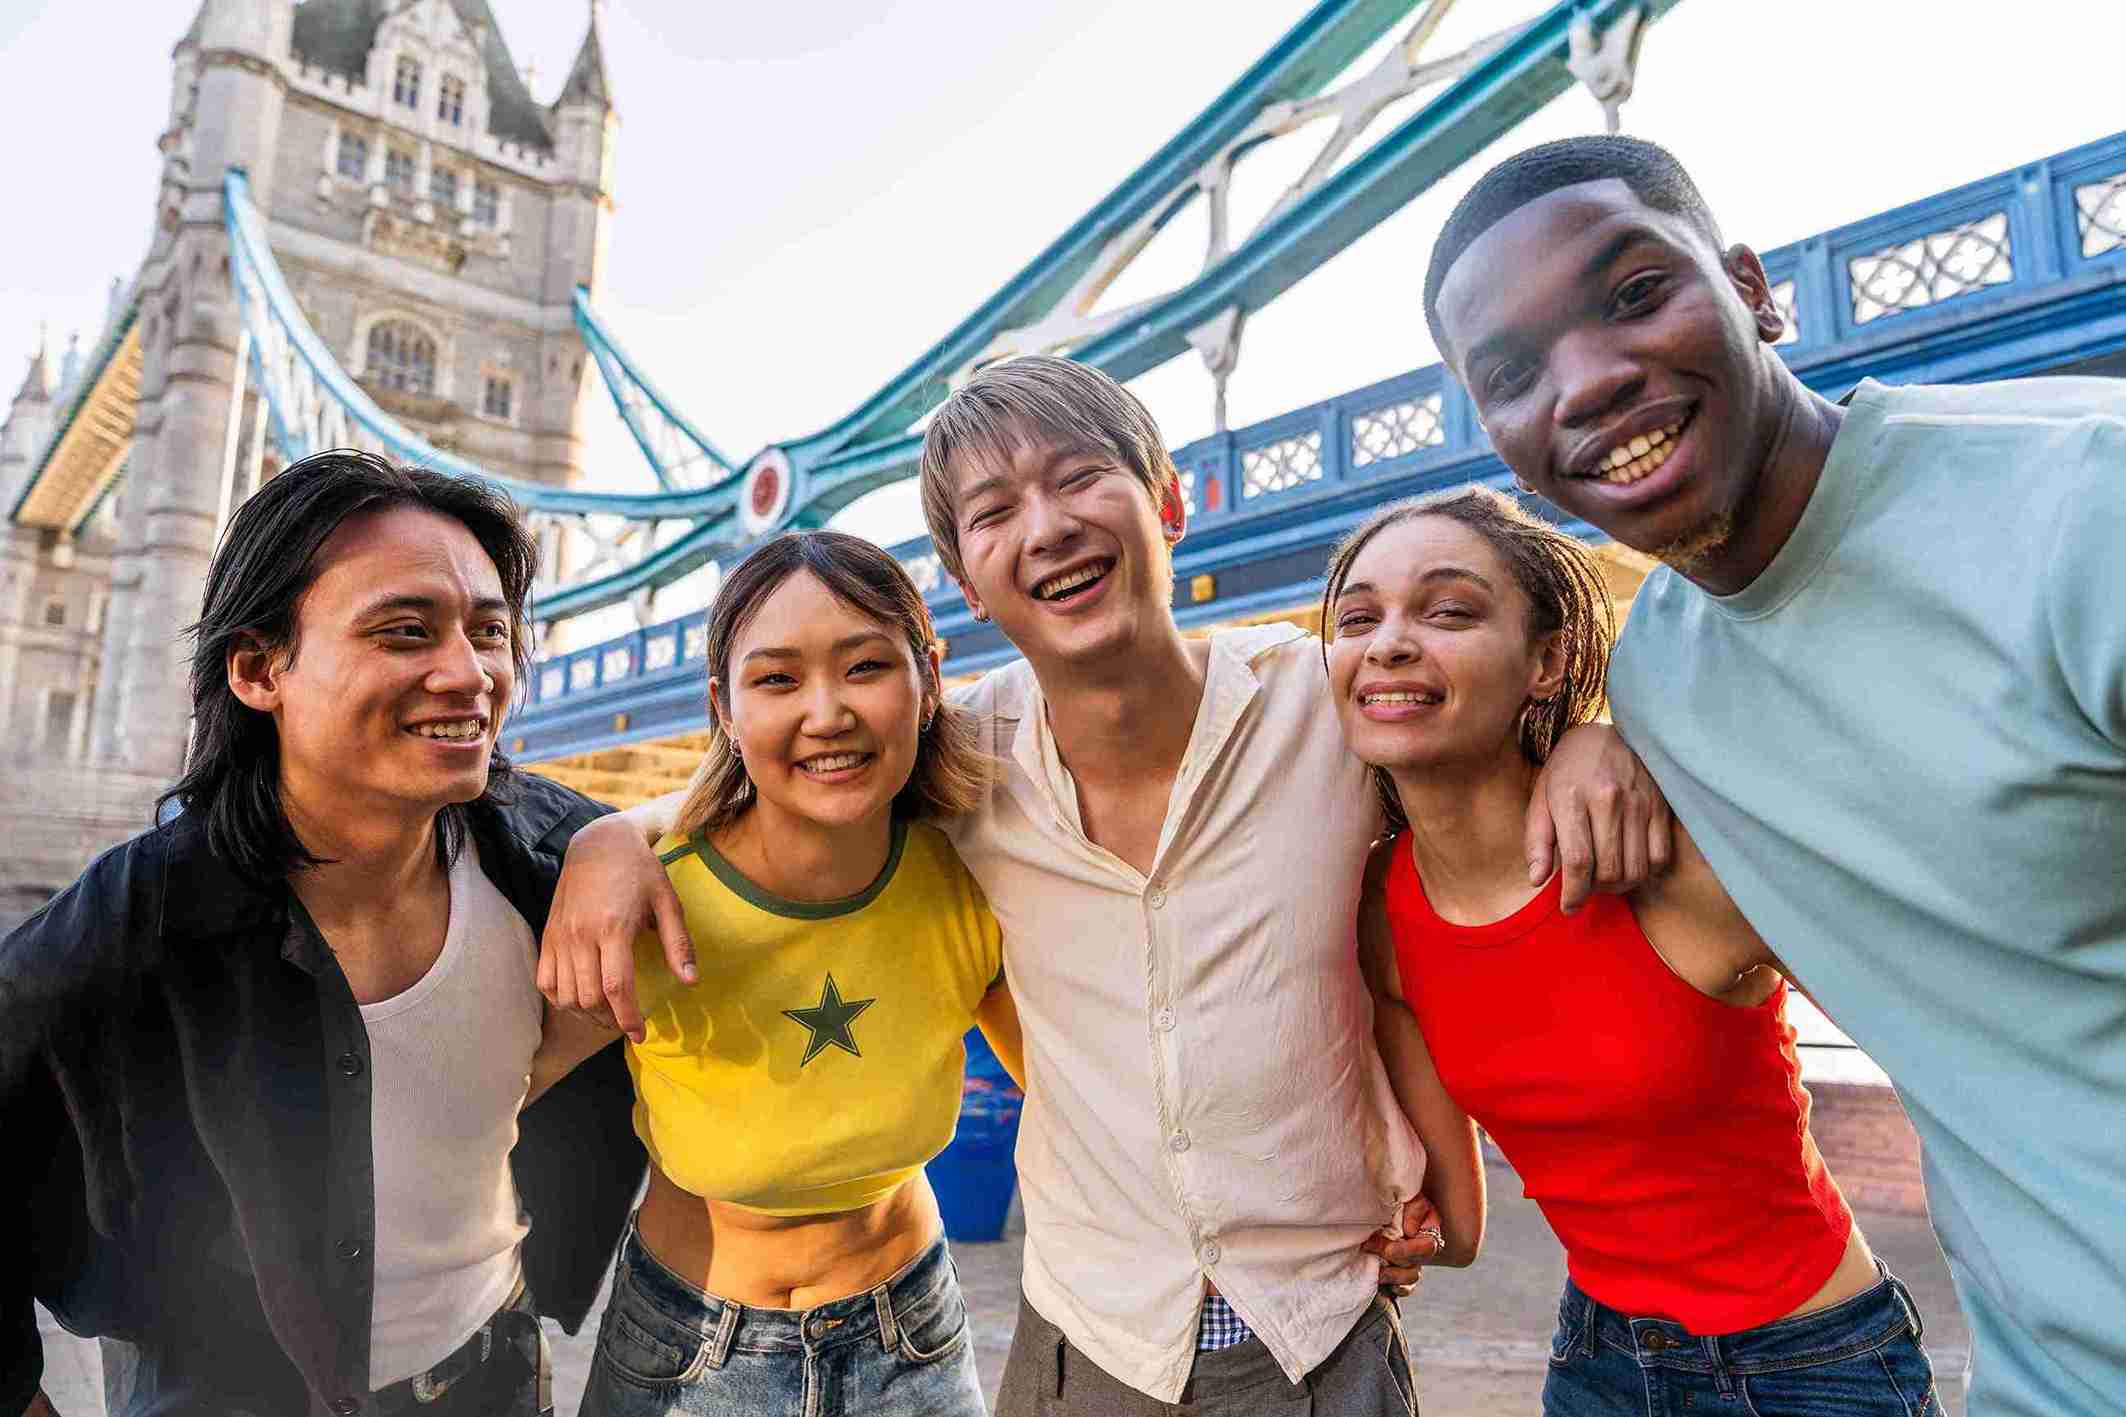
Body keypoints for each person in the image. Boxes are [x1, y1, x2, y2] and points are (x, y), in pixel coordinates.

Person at [538, 356, 1675, 1415]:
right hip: (1090, 1343)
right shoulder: (957, 764)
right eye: (992, 514)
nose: (1046, 527)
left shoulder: (1325, 712)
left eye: (1080, 478)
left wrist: (1586, 738)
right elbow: (791, 778)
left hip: (1320, 1328)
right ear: (966, 585)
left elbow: (1475, 727)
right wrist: (608, 839)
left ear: (1168, 504)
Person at [1424, 133, 2126, 1417]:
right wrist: (1589, 721)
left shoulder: (2083, 504)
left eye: (1634, 293)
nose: (1586, 382)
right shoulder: (1661, 692)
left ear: (1751, 286)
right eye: (1513, 373)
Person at [0, 451, 643, 1417]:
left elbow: (758, 813)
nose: (471, 675)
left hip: (497, 1373)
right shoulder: (131, 926)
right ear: (262, 669)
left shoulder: (542, 860)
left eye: (491, 631)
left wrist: (621, 833)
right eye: (405, 631)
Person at [1326, 486, 1937, 1414]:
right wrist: (1401, 1229)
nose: (1390, 642)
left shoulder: (1680, 859)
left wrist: (1618, 735)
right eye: (1359, 617)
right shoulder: (1376, 912)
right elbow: (1458, 1228)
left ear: (1547, 660)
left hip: (1813, 1365)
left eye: (1448, 610)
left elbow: (1958, 1060)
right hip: (1598, 1362)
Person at [530, 530, 1023, 1416]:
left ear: (931, 679)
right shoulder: (649, 904)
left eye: (866, 666)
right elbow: (477, 1110)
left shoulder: (975, 883)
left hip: (914, 1339)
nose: (827, 712)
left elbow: (1084, 1098)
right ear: (724, 704)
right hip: (687, 1352)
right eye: (778, 679)